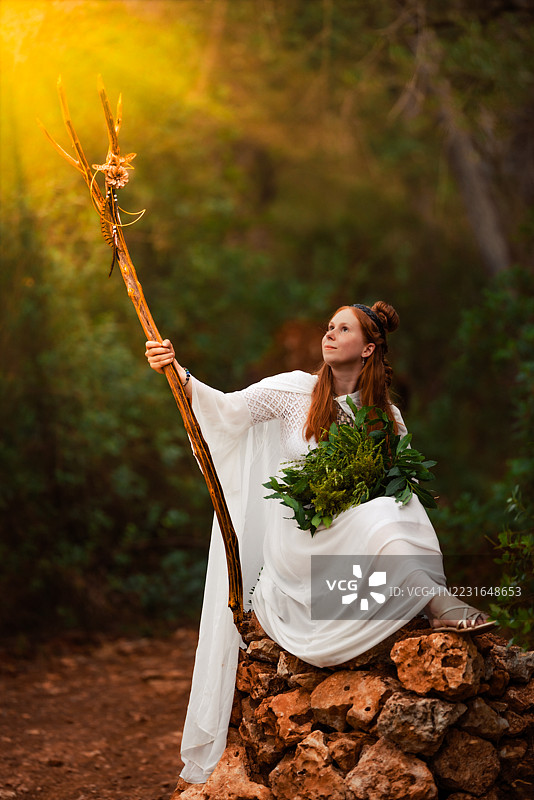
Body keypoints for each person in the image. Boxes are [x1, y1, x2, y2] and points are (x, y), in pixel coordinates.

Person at [145, 301, 495, 783]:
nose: (329, 334)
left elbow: (397, 489)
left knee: (396, 503)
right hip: (299, 538)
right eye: (329, 327)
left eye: (343, 329)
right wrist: (177, 371)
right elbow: (224, 411)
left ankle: (430, 597)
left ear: (368, 348)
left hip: (354, 540)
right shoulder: (294, 391)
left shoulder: (387, 419)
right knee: (381, 512)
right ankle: (436, 601)